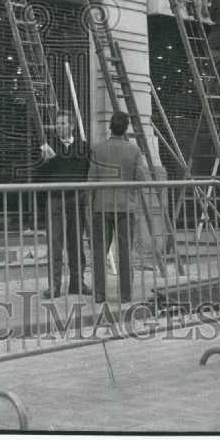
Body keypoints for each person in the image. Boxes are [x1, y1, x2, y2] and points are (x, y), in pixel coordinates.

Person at [88, 112, 148, 304]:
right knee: (125, 251)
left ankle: (99, 294)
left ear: (110, 127)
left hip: (101, 206)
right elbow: (141, 179)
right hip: (126, 207)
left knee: (100, 251)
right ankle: (125, 294)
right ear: (126, 128)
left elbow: (91, 179)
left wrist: (90, 205)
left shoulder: (98, 149)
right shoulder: (134, 150)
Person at [39, 110, 90, 298]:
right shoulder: (47, 147)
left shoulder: (83, 147)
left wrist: (56, 160)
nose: (59, 127)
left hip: (76, 199)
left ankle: (77, 283)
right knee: (55, 243)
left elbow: (84, 171)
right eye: (57, 124)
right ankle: (54, 286)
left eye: (63, 123)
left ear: (72, 126)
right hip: (55, 200)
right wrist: (47, 162)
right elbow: (39, 175)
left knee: (76, 242)